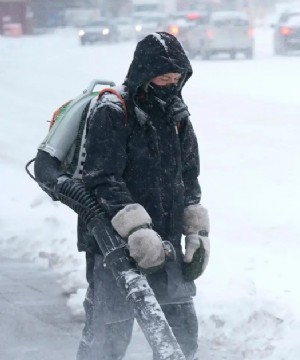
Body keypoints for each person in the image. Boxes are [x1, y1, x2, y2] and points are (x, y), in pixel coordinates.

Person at [75, 32, 210, 360]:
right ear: (144, 69)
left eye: (177, 74)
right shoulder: (112, 110)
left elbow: (189, 176)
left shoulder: (176, 114)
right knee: (107, 338)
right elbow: (101, 178)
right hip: (113, 246)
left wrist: (195, 232)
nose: (172, 78)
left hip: (166, 244)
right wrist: (135, 230)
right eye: (164, 72)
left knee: (181, 338)